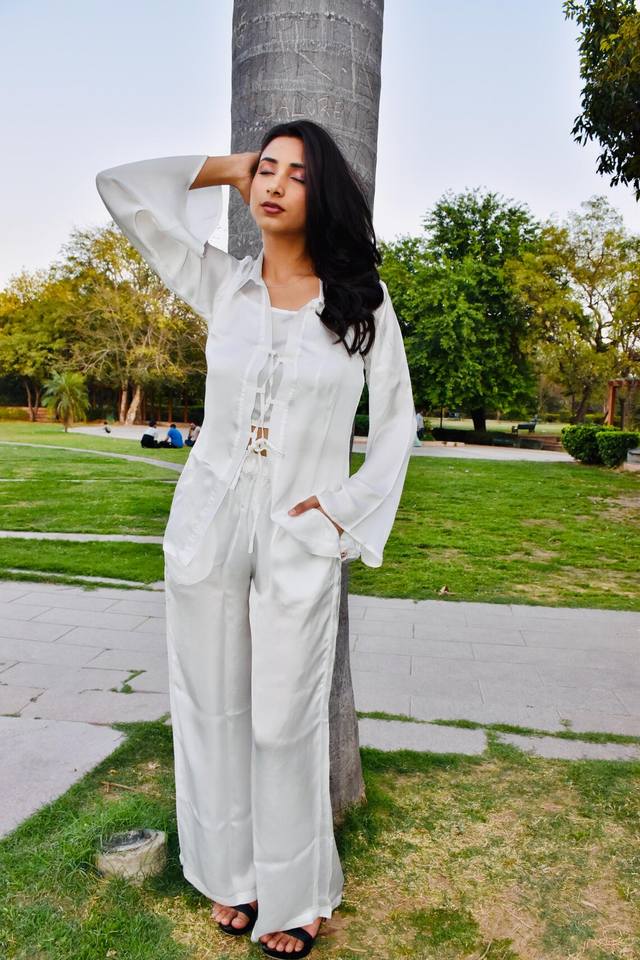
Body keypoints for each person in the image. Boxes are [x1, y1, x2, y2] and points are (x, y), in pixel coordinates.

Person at [96, 120, 416, 959]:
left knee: (282, 720)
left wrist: (340, 509)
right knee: (209, 705)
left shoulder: (362, 303)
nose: (273, 184)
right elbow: (119, 189)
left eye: (295, 173)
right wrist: (228, 165)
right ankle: (230, 876)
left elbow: (397, 422)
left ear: (325, 193)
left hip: (297, 529)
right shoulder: (224, 284)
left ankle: (298, 895)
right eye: (266, 169)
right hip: (210, 520)